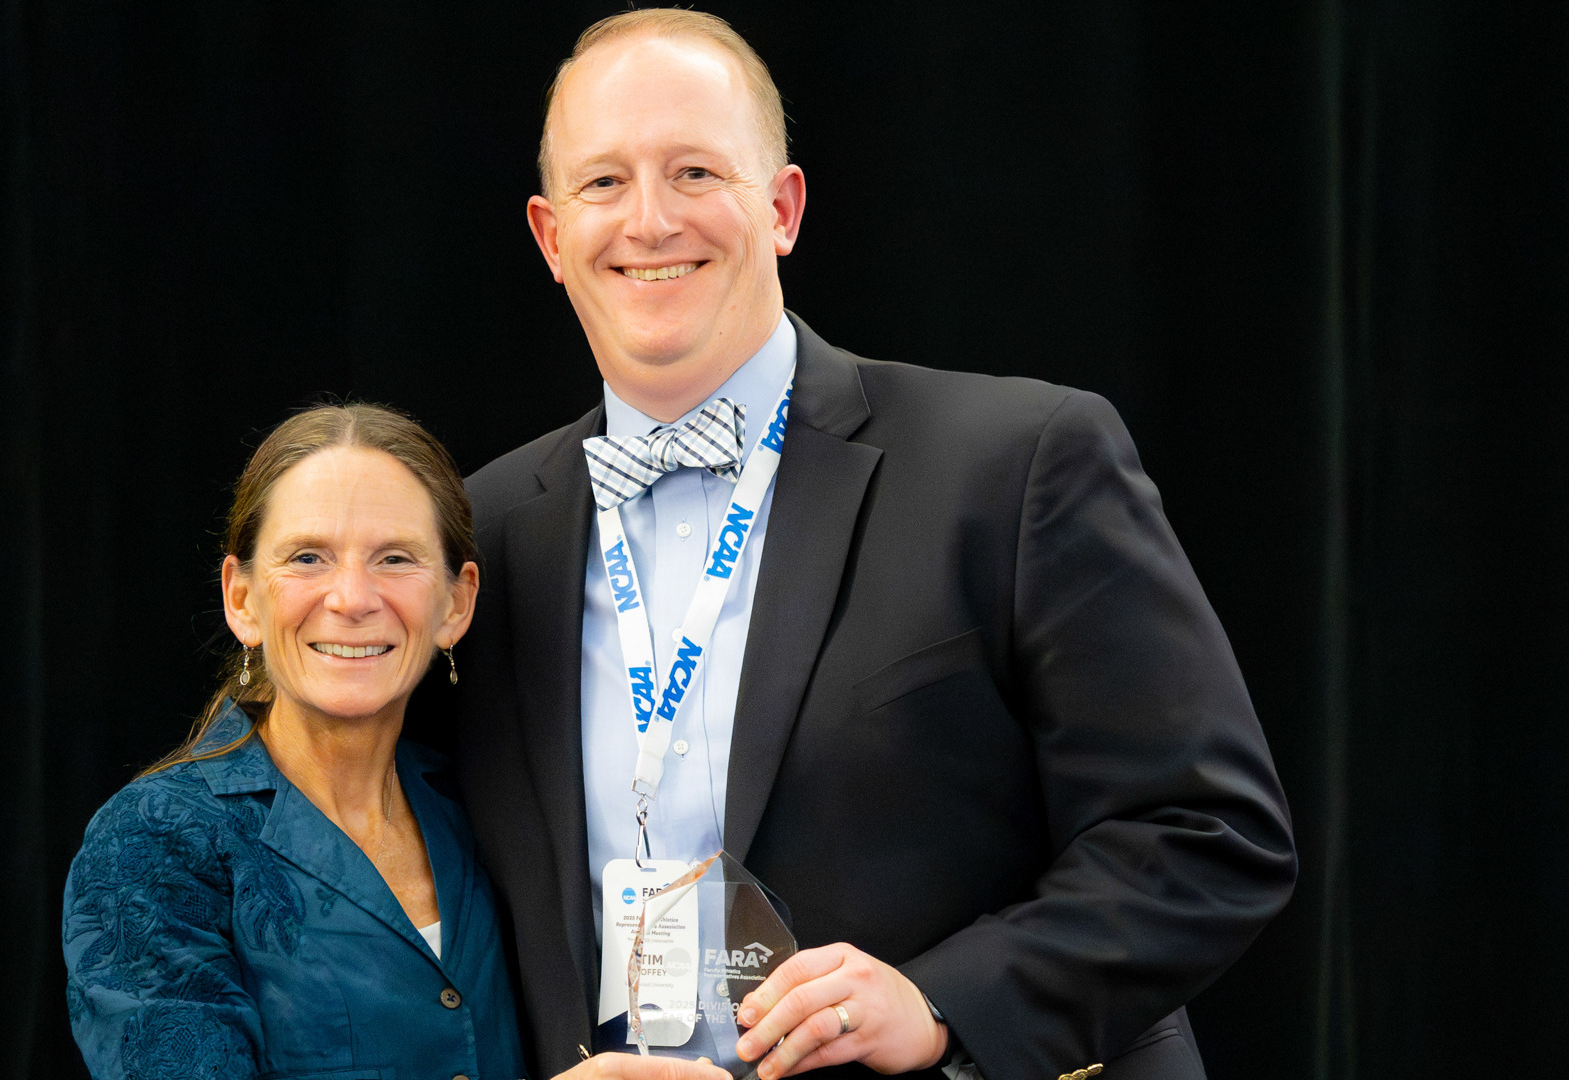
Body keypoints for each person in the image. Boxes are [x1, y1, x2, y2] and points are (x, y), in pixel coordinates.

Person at [438, 10, 1298, 1080]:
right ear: (550, 237)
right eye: (603, 183)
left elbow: (1210, 835)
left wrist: (941, 1002)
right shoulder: (479, 535)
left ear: (784, 207)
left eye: (696, 170)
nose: (649, 220)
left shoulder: (1016, 463)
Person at [63, 404, 728, 1080]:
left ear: (456, 604)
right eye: (307, 557)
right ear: (241, 598)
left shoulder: (481, 809)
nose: (352, 597)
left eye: (395, 558)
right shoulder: (150, 843)